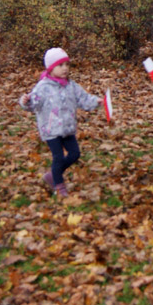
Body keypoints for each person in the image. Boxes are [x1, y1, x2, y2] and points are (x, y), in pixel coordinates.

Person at [19, 47, 100, 197]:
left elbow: (83, 98)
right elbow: (33, 103)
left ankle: (52, 175)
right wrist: (26, 101)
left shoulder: (71, 85)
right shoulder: (43, 87)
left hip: (67, 127)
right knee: (58, 157)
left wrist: (96, 101)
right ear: (50, 68)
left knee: (75, 154)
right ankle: (59, 186)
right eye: (60, 65)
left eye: (67, 65)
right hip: (51, 129)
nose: (65, 69)